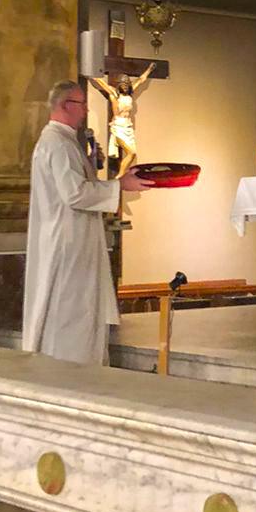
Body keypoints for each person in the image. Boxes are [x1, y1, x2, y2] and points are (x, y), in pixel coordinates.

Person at [22, 79, 153, 364]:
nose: (85, 110)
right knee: (71, 316)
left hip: (72, 240)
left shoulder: (63, 141)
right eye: (81, 104)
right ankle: (72, 376)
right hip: (68, 246)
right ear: (65, 105)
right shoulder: (58, 143)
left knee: (79, 314)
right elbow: (75, 193)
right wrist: (120, 185)